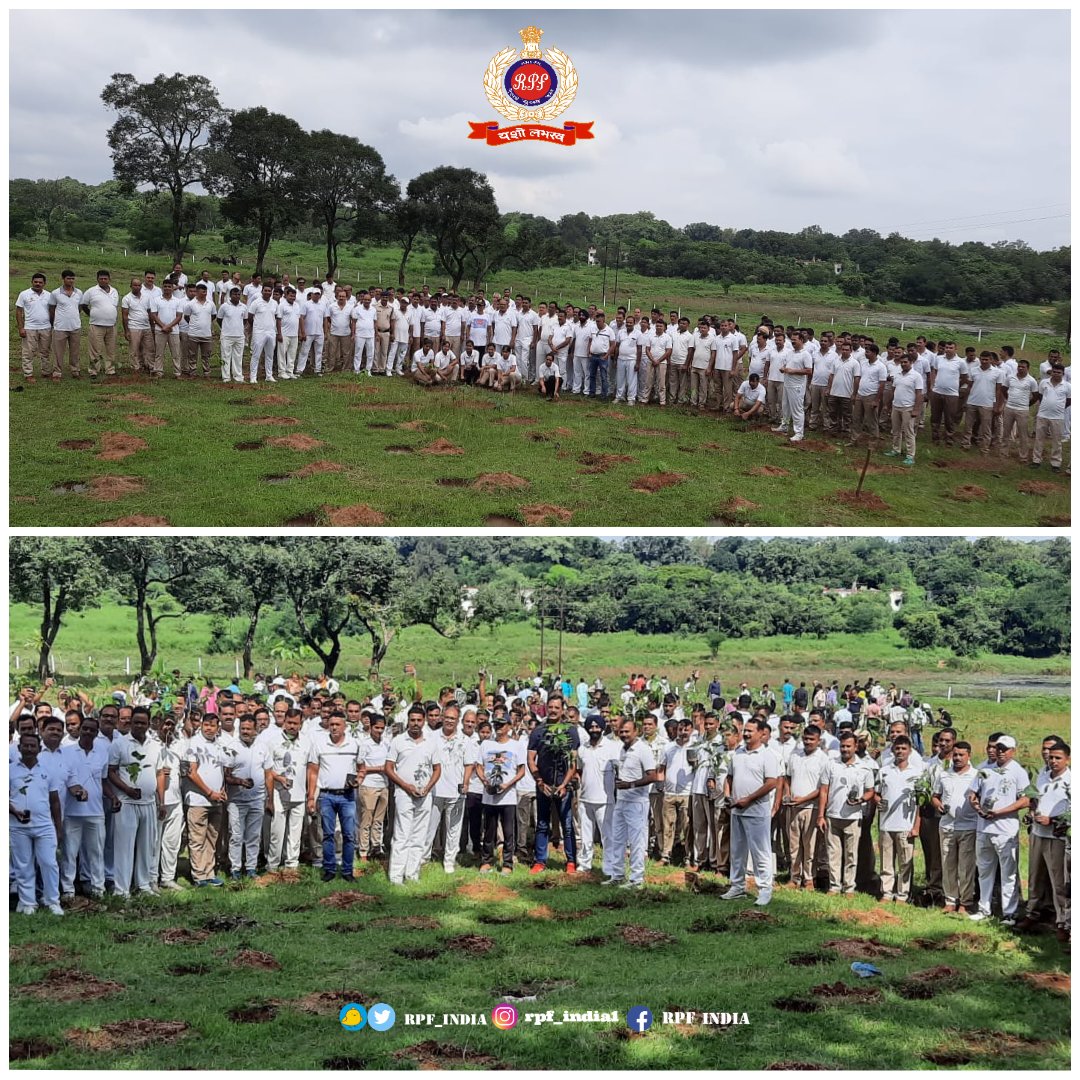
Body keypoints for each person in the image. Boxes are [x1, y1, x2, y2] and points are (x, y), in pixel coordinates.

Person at [968, 735, 1030, 925]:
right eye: (998, 748)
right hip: (984, 827)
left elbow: (1025, 799)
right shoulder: (984, 768)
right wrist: (978, 808)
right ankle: (983, 909)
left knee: (1007, 873)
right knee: (984, 871)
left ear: (1013, 751)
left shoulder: (1017, 771)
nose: (1001, 752)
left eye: (1005, 749)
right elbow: (973, 793)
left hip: (1005, 830)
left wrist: (1000, 812)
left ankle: (1009, 913)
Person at [722, 717, 780, 904]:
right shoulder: (738, 753)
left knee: (760, 851)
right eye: (745, 730)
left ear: (761, 733)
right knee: (737, 850)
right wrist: (728, 795)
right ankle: (737, 886)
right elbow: (729, 777)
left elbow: (772, 782)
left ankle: (764, 888)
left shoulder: (767, 755)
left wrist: (749, 799)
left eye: (750, 731)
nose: (746, 734)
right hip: (737, 810)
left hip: (756, 810)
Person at [106, 707, 162, 898]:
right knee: (124, 848)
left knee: (147, 847)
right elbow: (111, 771)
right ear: (130, 723)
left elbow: (159, 773)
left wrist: (160, 801)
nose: (139, 725)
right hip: (126, 802)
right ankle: (122, 890)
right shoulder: (119, 744)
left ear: (148, 724)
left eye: (143, 722)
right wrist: (127, 789)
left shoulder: (155, 745)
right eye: (136, 722)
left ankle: (144, 885)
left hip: (148, 803)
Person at [1016, 740, 1070, 941]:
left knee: (1058, 881)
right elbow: (1036, 799)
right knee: (1034, 876)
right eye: (1050, 757)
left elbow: (1072, 811)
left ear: (1067, 759)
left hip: (1056, 836)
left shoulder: (1071, 780)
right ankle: (1032, 913)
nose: (1053, 760)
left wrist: (1052, 820)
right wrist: (1032, 812)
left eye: (1058, 758)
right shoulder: (1043, 775)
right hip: (1037, 833)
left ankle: (1063, 922)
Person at [58, 715, 115, 900]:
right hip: (72, 812)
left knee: (96, 852)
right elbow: (64, 778)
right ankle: (68, 890)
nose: (88, 732)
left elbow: (104, 780)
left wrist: (113, 797)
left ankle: (98, 888)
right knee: (70, 852)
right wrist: (75, 790)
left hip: (96, 811)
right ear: (80, 729)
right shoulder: (65, 752)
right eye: (85, 728)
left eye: (92, 729)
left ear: (97, 732)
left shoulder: (102, 753)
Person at [10, 731, 65, 916]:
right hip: (18, 826)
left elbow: (55, 801)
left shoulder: (47, 770)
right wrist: (14, 811)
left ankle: (52, 901)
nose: (29, 749)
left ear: (39, 749)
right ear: (19, 748)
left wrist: (59, 828)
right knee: (23, 864)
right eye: (25, 745)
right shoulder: (9, 770)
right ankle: (27, 903)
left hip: (44, 825)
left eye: (33, 746)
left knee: (49, 863)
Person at [385, 706, 440, 885]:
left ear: (423, 721)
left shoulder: (431, 742)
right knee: (402, 835)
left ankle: (412, 874)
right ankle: (395, 876)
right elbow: (388, 768)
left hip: (425, 794)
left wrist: (427, 787)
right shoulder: (398, 741)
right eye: (412, 720)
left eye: (419, 720)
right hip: (403, 793)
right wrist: (406, 786)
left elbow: (437, 769)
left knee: (419, 835)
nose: (416, 724)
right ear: (408, 721)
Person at [602, 718, 658, 888]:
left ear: (636, 731)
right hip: (621, 800)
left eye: (627, 731)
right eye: (621, 731)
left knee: (637, 841)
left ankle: (636, 878)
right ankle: (617, 874)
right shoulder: (622, 750)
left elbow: (652, 776)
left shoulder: (643, 749)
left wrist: (630, 785)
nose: (624, 734)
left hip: (637, 801)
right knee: (617, 839)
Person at [306, 713, 362, 882]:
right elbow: (313, 772)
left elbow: (362, 768)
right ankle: (329, 868)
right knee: (328, 834)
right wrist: (311, 797)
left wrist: (359, 780)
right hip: (326, 795)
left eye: (338, 724)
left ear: (344, 726)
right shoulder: (319, 744)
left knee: (349, 835)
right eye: (331, 724)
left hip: (347, 796)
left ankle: (347, 870)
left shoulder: (354, 744)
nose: (334, 727)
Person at [528, 695, 579, 874]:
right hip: (544, 786)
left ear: (562, 709)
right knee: (542, 824)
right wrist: (540, 782)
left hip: (563, 786)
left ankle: (571, 861)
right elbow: (531, 759)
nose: (553, 710)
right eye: (550, 707)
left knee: (567, 824)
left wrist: (565, 784)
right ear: (546, 707)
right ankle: (540, 861)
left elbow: (573, 762)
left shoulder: (570, 731)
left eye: (557, 707)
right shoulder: (538, 731)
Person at [424, 705, 477, 874]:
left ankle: (449, 861)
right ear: (442, 718)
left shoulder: (465, 741)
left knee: (453, 829)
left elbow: (469, 764)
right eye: (446, 717)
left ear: (458, 720)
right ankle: (423, 858)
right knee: (429, 827)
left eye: (452, 718)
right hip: (434, 791)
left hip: (456, 791)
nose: (449, 721)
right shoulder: (431, 737)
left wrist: (465, 782)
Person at [821, 731, 875, 896]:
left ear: (855, 746)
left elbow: (870, 791)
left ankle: (849, 887)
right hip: (832, 814)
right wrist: (820, 815)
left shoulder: (865, 767)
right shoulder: (831, 764)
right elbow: (824, 790)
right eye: (842, 746)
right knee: (833, 853)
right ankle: (834, 886)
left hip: (853, 817)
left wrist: (860, 800)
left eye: (848, 746)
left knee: (851, 854)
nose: (845, 749)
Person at [183, 713, 230, 887]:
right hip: (198, 800)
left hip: (216, 800)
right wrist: (210, 792)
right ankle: (199, 876)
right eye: (206, 725)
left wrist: (222, 790)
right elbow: (191, 772)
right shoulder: (193, 743)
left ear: (218, 727)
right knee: (197, 839)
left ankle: (209, 872)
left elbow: (221, 770)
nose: (209, 728)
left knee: (212, 837)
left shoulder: (219, 744)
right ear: (201, 725)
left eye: (213, 725)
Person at [932, 738, 978, 914]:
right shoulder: (943, 774)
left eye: (961, 755)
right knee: (948, 864)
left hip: (969, 826)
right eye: (955, 755)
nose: (957, 758)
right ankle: (950, 900)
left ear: (969, 756)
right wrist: (938, 805)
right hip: (947, 826)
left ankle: (965, 902)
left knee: (966, 867)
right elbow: (935, 796)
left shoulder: (976, 775)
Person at [877, 735, 923, 903]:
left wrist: (916, 826)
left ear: (910, 751)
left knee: (905, 862)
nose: (900, 752)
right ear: (892, 750)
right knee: (886, 861)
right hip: (886, 823)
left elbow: (920, 802)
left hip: (906, 823)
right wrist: (877, 801)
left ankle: (903, 894)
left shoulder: (918, 774)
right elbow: (876, 793)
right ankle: (887, 892)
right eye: (897, 748)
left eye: (904, 749)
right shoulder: (884, 771)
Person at [784, 723, 830, 890]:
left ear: (818, 740)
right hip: (793, 807)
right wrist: (788, 795)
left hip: (811, 807)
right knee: (793, 844)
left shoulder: (823, 759)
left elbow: (822, 788)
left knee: (810, 845)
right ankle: (794, 877)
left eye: (811, 739)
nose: (808, 742)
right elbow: (787, 779)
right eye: (805, 738)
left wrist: (803, 799)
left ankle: (809, 879)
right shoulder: (795, 755)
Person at [478, 715, 525, 874]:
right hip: (489, 794)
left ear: (509, 727)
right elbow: (478, 766)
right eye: (496, 724)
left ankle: (507, 863)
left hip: (508, 796)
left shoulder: (516, 746)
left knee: (508, 831)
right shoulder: (486, 744)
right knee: (489, 830)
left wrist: (507, 785)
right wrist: (485, 781)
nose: (499, 727)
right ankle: (486, 861)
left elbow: (521, 771)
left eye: (502, 724)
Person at [225, 717, 270, 879]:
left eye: (248, 729)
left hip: (257, 799)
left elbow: (268, 773)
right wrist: (240, 782)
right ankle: (235, 869)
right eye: (242, 728)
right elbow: (226, 775)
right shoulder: (232, 748)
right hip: (237, 801)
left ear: (255, 730)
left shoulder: (263, 747)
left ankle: (251, 868)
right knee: (236, 836)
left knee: (253, 835)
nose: (245, 732)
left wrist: (269, 797)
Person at [575, 715, 616, 872]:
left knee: (607, 835)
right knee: (585, 835)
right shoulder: (582, 748)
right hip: (585, 799)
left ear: (602, 728)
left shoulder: (612, 747)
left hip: (605, 800)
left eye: (597, 727)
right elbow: (578, 770)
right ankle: (584, 864)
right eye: (591, 727)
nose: (594, 730)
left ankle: (610, 866)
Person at [659, 720, 694, 864]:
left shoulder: (695, 747)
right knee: (668, 825)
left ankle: (688, 857)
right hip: (669, 792)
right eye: (680, 730)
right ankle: (666, 855)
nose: (683, 733)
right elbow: (661, 767)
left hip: (687, 792)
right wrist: (661, 784)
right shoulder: (668, 747)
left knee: (687, 826)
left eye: (686, 730)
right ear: (677, 730)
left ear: (691, 731)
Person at [356, 716, 390, 861]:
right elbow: (359, 766)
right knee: (366, 820)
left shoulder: (386, 743)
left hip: (384, 785)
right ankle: (363, 850)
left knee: (379, 820)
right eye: (377, 728)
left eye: (382, 728)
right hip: (369, 785)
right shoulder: (365, 744)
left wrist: (385, 769)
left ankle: (376, 847)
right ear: (371, 727)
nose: (379, 731)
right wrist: (379, 768)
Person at [79, 270, 120, 379]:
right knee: (95, 350)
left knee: (110, 350)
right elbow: (83, 305)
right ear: (97, 279)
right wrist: (92, 314)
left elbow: (114, 306)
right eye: (101, 278)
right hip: (96, 325)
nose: (103, 280)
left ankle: (110, 370)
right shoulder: (91, 291)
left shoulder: (114, 291)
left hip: (111, 325)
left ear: (109, 279)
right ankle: (93, 370)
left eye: (105, 278)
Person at [885, 353, 924, 466]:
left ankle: (910, 455)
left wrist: (916, 410)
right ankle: (896, 450)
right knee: (895, 430)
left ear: (911, 362)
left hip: (908, 407)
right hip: (896, 406)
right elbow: (893, 390)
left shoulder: (916, 376)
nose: (903, 364)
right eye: (902, 362)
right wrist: (888, 404)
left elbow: (919, 394)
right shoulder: (897, 375)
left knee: (908, 432)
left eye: (905, 362)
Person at [1032, 361, 1070, 472]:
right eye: (1054, 371)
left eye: (1059, 372)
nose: (1056, 374)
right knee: (1039, 439)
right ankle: (1036, 460)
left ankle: (1055, 463)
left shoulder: (1067, 386)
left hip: (1058, 417)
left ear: (1063, 374)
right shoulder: (1044, 382)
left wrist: (1058, 407)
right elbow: (1040, 396)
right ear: (1051, 372)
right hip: (1042, 415)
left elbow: (1069, 401)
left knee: (1057, 441)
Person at [15, 272, 53, 382]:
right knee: (28, 352)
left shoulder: (49, 295)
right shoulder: (24, 294)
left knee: (45, 352)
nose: (38, 284)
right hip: (30, 328)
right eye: (35, 282)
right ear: (32, 282)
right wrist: (21, 328)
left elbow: (52, 311)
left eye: (40, 282)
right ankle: (28, 374)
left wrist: (52, 325)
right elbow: (19, 312)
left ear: (44, 283)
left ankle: (45, 372)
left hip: (46, 327)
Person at [48, 269, 83, 380]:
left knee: (75, 351)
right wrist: (54, 323)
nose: (71, 281)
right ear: (63, 279)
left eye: (73, 278)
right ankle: (57, 373)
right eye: (68, 278)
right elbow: (52, 309)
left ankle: (75, 371)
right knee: (58, 352)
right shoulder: (55, 293)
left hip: (75, 327)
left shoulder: (79, 293)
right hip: (60, 327)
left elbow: (79, 307)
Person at [149, 279, 184, 379]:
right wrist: (163, 326)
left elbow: (179, 316)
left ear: (172, 288)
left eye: (169, 286)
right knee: (159, 353)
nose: (167, 288)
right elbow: (154, 315)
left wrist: (168, 326)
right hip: (160, 330)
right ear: (162, 287)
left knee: (176, 353)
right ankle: (158, 372)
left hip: (174, 330)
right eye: (165, 286)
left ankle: (177, 373)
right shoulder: (156, 300)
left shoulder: (177, 301)